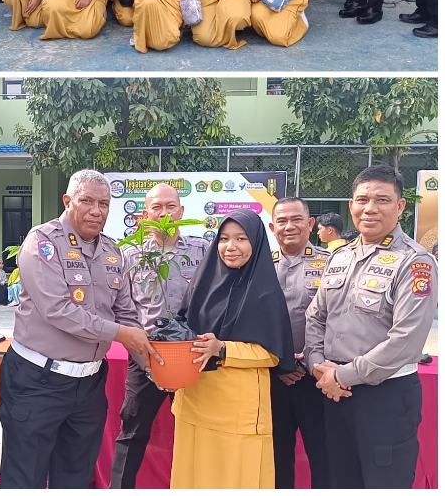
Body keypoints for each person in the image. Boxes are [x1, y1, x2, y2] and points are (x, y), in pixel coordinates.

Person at [0, 169, 157, 489]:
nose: (96, 211)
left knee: (75, 477)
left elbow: (125, 312)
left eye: (104, 203)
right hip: (36, 381)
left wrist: (153, 364)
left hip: (88, 386)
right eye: (86, 201)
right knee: (24, 478)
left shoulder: (112, 252)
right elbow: (58, 310)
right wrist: (120, 334)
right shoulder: (43, 243)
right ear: (67, 201)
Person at [305, 165, 435, 488]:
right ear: (351, 206)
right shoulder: (340, 257)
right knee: (340, 481)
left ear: (401, 206)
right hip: (334, 394)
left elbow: (404, 342)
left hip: (384, 398)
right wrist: (317, 366)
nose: (370, 208)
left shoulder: (414, 262)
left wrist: (341, 376)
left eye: (382, 200)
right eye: (362, 199)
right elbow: (315, 317)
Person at [169, 209, 294, 489]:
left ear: (257, 243)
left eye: (241, 239)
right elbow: (184, 324)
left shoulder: (266, 292)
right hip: (195, 398)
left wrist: (223, 349)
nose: (231, 247)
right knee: (194, 475)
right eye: (224, 239)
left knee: (236, 478)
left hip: (238, 408)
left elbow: (272, 353)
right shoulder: (203, 283)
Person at [109, 184, 207, 487]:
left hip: (194, 359)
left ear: (181, 212)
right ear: (145, 215)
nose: (164, 213)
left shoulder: (203, 250)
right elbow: (121, 309)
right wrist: (145, 359)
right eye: (156, 207)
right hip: (145, 357)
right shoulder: (130, 254)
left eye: (170, 206)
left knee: (200, 435)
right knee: (132, 433)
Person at [267, 197, 331, 489]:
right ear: (272, 226)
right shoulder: (260, 267)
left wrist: (309, 360)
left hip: (316, 378)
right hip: (273, 377)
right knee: (276, 456)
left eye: (296, 220)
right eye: (282, 221)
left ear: (310, 224)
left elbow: (338, 318)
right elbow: (253, 321)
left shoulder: (331, 264)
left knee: (324, 454)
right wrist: (280, 363)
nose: (289, 226)